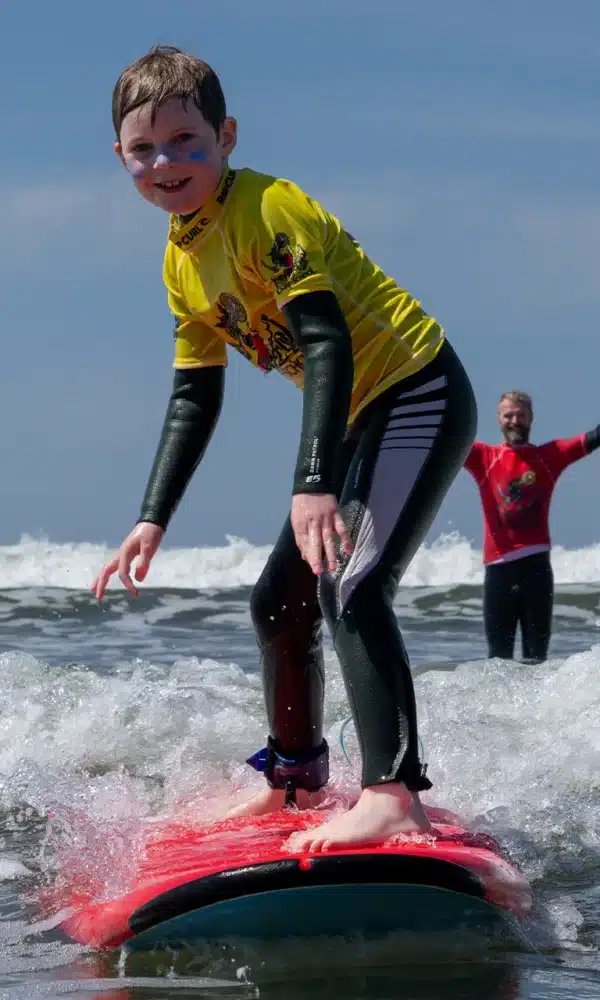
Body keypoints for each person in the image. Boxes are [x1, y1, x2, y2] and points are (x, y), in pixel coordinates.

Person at [92, 45, 477, 852]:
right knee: (280, 601)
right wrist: (151, 516)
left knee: (351, 581)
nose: (167, 162)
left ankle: (393, 795)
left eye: (186, 142)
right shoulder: (181, 259)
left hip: (415, 391)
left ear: (226, 137)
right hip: (349, 420)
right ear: (121, 158)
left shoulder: (268, 210)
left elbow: (325, 342)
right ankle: (296, 781)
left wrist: (313, 481)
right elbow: (195, 394)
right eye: (144, 148)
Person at [465, 390, 600, 664]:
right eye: (508, 415)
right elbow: (446, 439)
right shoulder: (484, 457)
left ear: (531, 418)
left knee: (536, 660)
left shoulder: (549, 457)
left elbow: (593, 438)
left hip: (536, 570)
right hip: (498, 572)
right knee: (497, 662)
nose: (515, 420)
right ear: (499, 419)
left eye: (521, 414)